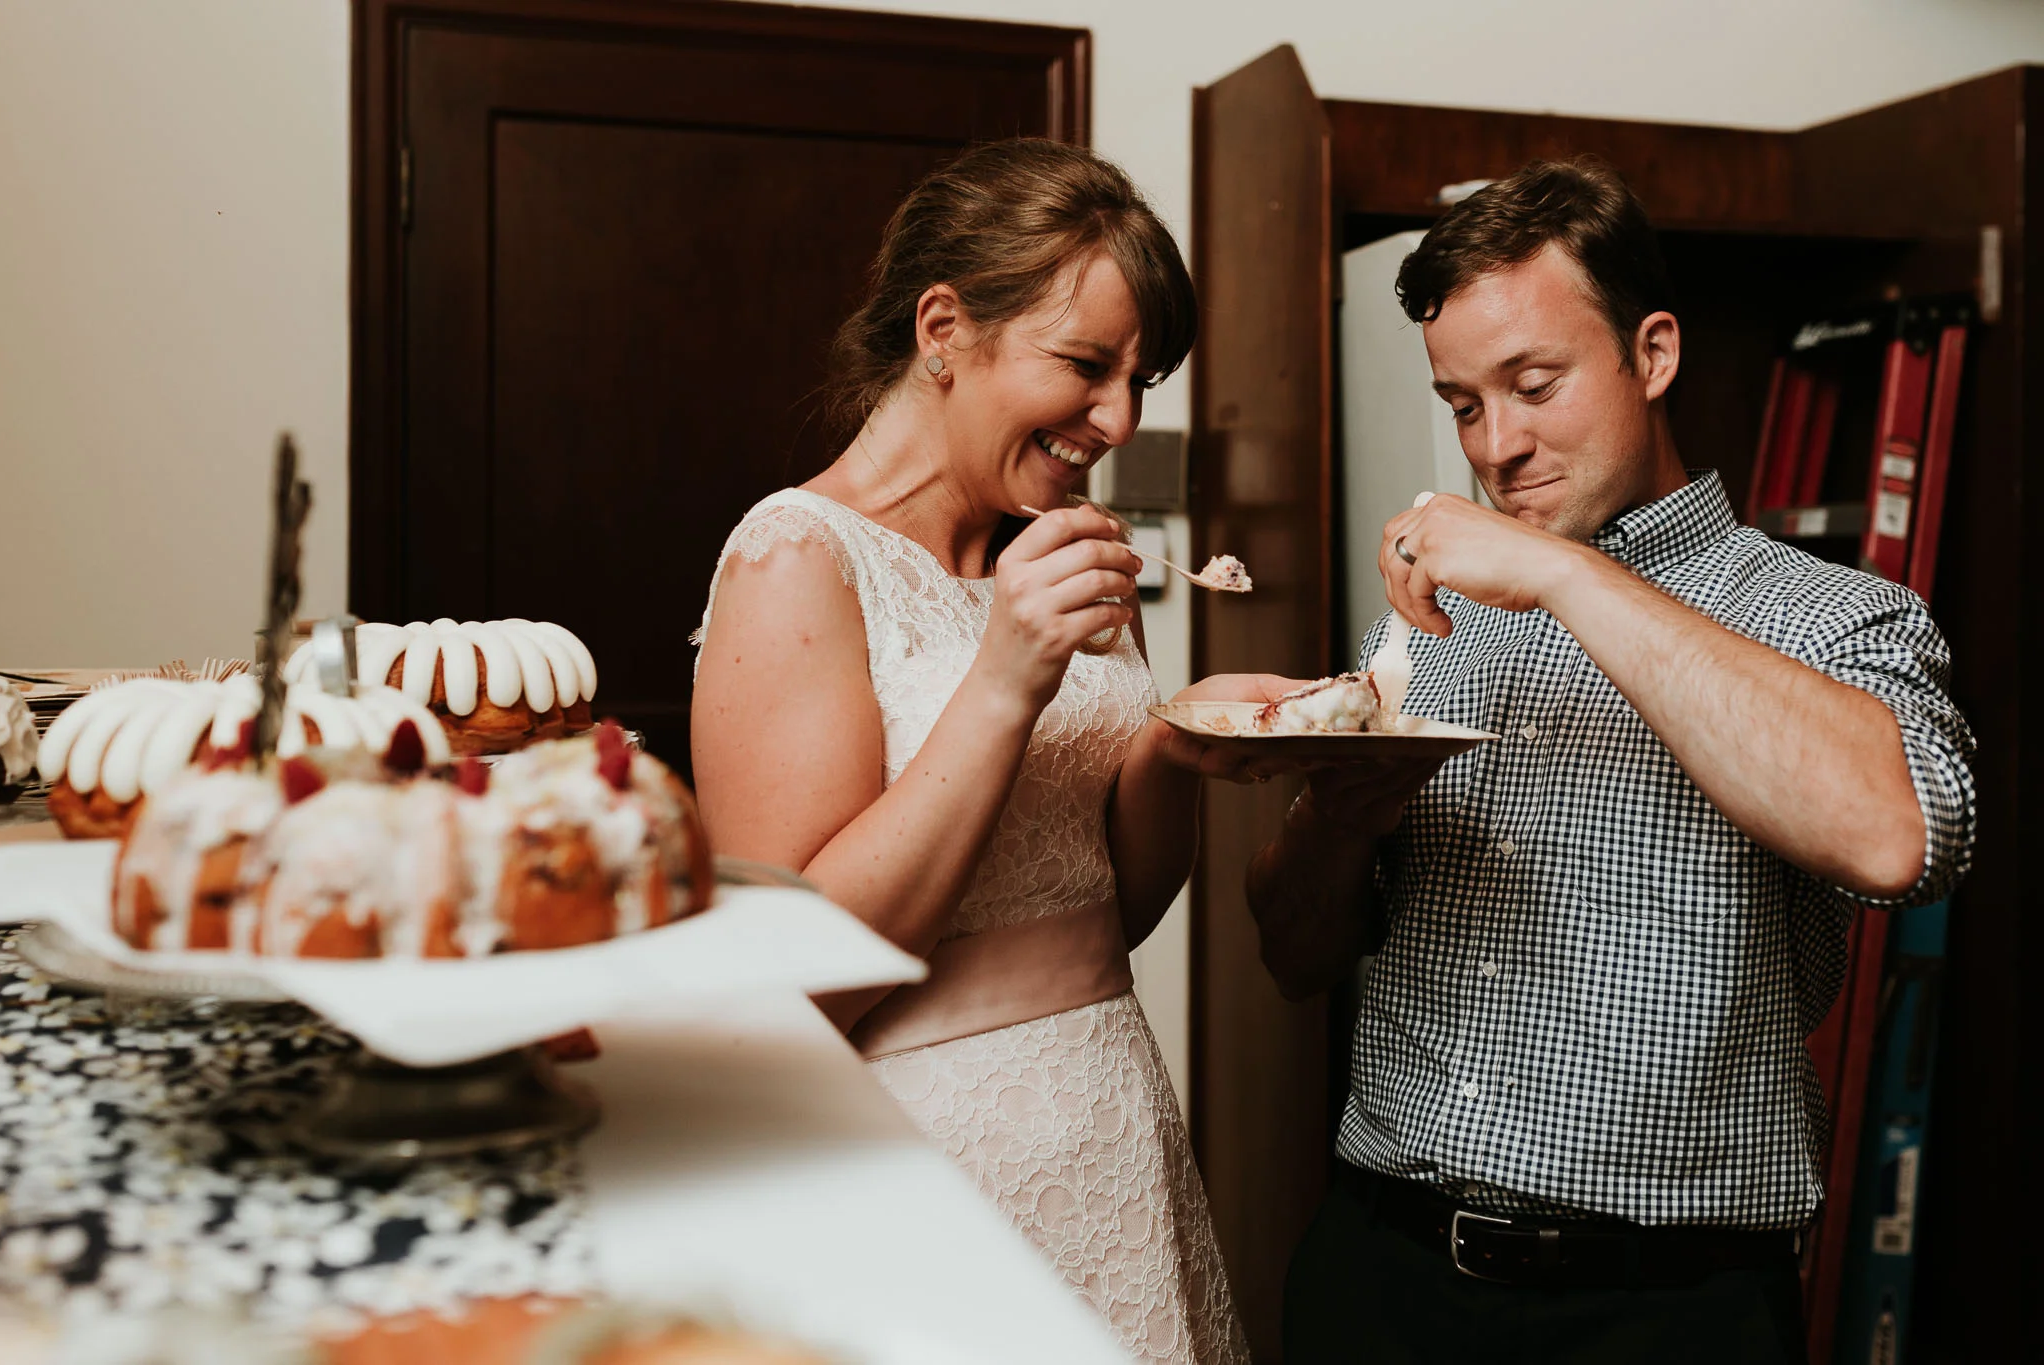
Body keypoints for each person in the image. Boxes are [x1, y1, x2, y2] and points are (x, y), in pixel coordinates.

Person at [1259, 159, 1977, 1364]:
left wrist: (1559, 573)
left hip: (1661, 1310)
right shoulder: (1426, 623)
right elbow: (1291, 954)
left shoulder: (1835, 618)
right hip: (1378, 1271)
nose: (1497, 445)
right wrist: (1334, 821)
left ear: (1651, 355)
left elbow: (1900, 839)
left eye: (1533, 385)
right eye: (1463, 404)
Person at [691, 139, 1261, 1364]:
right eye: (1085, 365)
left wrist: (1180, 749)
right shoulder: (797, 558)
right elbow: (796, 980)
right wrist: (1004, 677)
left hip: (1115, 1134)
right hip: (920, 1165)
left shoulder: (1063, 546)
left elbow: (1119, 903)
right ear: (943, 328)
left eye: (1141, 376)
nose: (1117, 418)